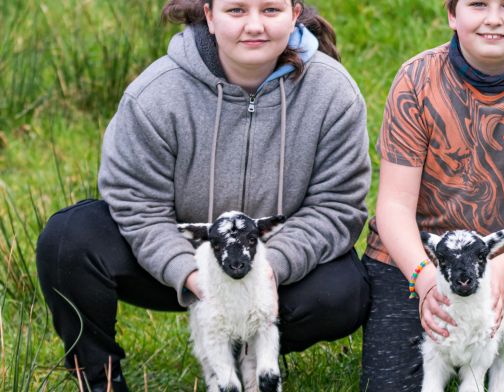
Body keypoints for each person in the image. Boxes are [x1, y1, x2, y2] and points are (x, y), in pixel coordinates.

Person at [35, 0, 371, 390]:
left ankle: (252, 357)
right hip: (176, 251)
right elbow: (137, 205)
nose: (254, 26)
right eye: (236, 11)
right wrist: (192, 275)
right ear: (209, 15)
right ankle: (101, 380)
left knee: (344, 292)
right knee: (68, 240)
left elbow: (336, 206)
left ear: (295, 13)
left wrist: (269, 270)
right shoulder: (156, 94)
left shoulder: (333, 92)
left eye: (271, 10)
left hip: (271, 262)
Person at [360, 0, 504, 390]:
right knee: (390, 384)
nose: (493, 19)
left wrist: (499, 271)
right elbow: (394, 206)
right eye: (478, 4)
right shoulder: (415, 80)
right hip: (413, 258)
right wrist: (425, 277)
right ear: (452, 14)